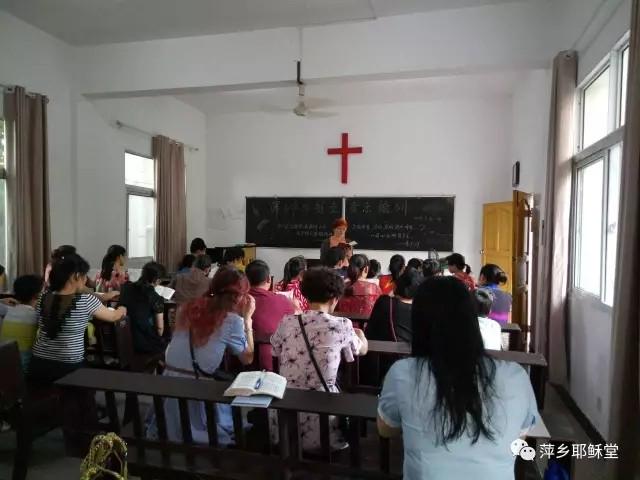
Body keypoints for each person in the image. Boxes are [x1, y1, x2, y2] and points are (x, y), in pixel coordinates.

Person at [377, 276, 539, 479]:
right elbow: (521, 435)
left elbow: (386, 429)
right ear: (471, 318)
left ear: (418, 323)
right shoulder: (516, 376)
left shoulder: (402, 373)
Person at [148, 267, 255, 445]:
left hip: (168, 385)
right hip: (195, 391)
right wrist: (247, 321)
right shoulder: (232, 321)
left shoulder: (186, 309)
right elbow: (247, 358)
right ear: (238, 297)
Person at [270, 267, 368, 451]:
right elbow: (360, 351)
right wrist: (361, 334)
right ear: (334, 299)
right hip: (323, 416)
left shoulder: (287, 321)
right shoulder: (342, 325)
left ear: (306, 295)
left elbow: (274, 351)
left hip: (285, 416)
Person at [29, 254, 127, 383]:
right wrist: (122, 308)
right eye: (85, 275)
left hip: (38, 363)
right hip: (68, 366)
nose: (86, 279)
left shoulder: (43, 297)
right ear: (76, 276)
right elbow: (113, 316)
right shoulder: (85, 300)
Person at [246, 260, 295, 371]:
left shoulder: (237, 300)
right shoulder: (282, 300)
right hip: (276, 363)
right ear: (268, 279)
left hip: (241, 364)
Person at [118, 262, 168, 354]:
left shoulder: (126, 288)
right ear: (156, 280)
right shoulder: (156, 297)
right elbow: (160, 328)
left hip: (123, 339)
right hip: (143, 343)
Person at [0, 275, 45, 370]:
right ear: (38, 295)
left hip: (4, 364)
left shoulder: (8, 310)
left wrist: (2, 300)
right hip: (23, 368)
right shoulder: (36, 316)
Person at [366, 268, 422, 343]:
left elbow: (370, 331)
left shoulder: (384, 302)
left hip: (383, 351)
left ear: (396, 285)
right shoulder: (423, 308)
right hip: (413, 353)